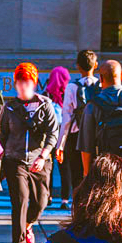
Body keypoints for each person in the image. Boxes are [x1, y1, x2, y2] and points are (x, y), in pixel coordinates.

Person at [0, 63, 60, 243]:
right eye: (20, 82)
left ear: (34, 83)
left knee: (41, 201)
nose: (23, 86)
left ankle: (28, 225)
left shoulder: (45, 105)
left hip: (40, 160)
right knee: (20, 200)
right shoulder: (8, 107)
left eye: (27, 82)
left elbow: (53, 133)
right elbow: (1, 135)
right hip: (14, 160)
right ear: (15, 84)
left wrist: (43, 155)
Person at [57, 50, 100, 203]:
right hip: (96, 138)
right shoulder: (101, 86)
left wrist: (60, 145)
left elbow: (66, 118)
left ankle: (78, 209)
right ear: (95, 65)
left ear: (77, 66)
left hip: (76, 138)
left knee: (77, 176)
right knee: (95, 177)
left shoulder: (72, 87)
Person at [43, 66, 71, 206]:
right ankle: (65, 198)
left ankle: (48, 196)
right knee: (64, 167)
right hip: (63, 135)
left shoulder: (46, 94)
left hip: (48, 135)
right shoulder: (68, 94)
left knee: (49, 166)